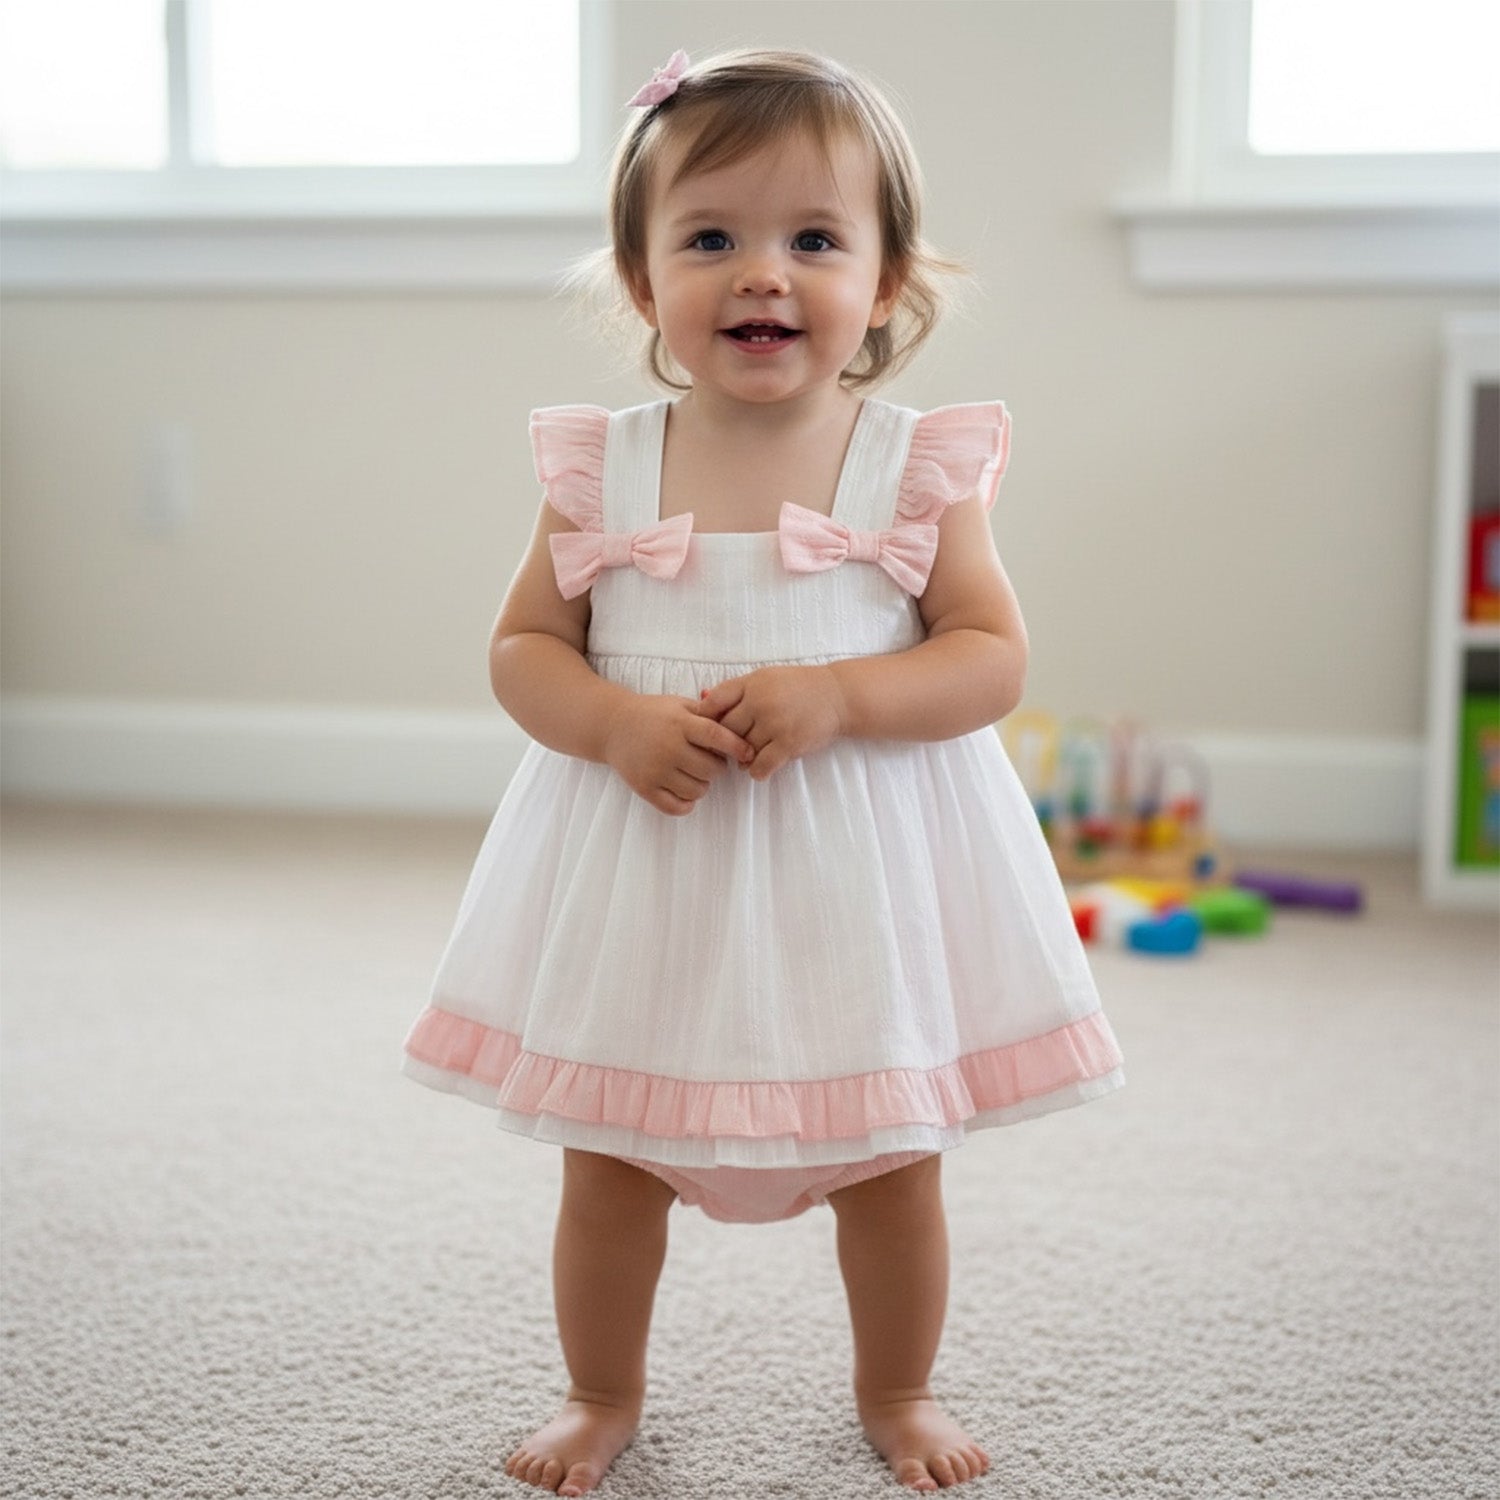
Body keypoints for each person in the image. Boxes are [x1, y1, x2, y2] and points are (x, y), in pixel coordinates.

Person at [402, 46, 1124, 1496]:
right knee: (608, 1165)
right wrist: (611, 721)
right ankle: (600, 1391)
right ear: (640, 277)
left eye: (813, 240)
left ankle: (899, 1389)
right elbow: (524, 649)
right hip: (651, 890)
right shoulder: (603, 468)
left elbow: (989, 657)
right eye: (710, 239)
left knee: (892, 1169)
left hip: (852, 898)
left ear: (888, 276)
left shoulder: (913, 468)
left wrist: (847, 693)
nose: (761, 275)